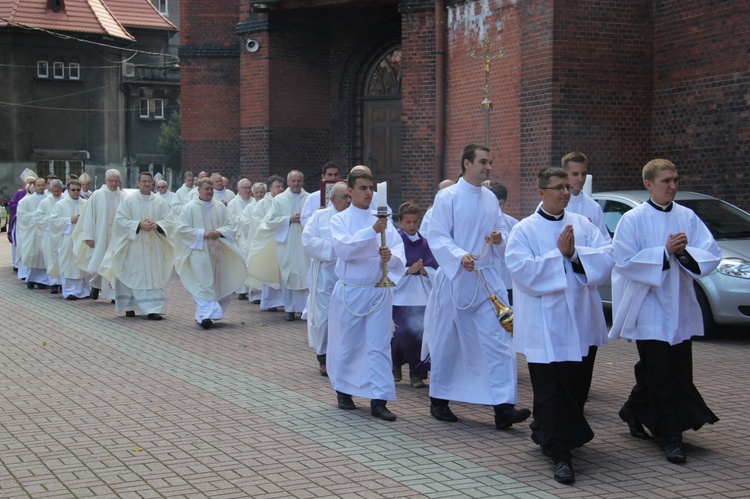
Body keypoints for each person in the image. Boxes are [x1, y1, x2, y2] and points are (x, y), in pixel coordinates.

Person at [505, 167, 614, 484]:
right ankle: (561, 454)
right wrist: (559, 256)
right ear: (541, 192)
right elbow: (522, 272)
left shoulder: (583, 224)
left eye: (568, 186)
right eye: (559, 187)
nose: (566, 192)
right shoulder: (524, 230)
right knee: (551, 390)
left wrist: (577, 256)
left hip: (581, 322)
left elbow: (607, 256)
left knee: (576, 388)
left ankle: (547, 431)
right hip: (545, 327)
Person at [609, 158, 721, 464]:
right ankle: (671, 436)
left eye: (675, 180)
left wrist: (685, 253)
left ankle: (632, 411)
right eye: (665, 181)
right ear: (649, 184)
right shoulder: (633, 219)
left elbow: (710, 253)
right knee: (660, 373)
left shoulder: (687, 216)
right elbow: (623, 260)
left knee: (673, 369)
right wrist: (664, 252)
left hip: (680, 305)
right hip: (648, 307)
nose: (673, 186)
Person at [423, 144, 530, 429]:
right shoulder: (447, 197)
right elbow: (437, 235)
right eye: (483, 162)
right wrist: (459, 256)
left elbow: (501, 231)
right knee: (448, 340)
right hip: (456, 278)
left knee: (499, 340)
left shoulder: (489, 198)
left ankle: (503, 407)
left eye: (491, 162)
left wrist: (498, 237)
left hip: (486, 278)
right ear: (466, 163)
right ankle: (439, 399)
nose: (488, 167)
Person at [327, 169, 406, 421]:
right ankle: (344, 390)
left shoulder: (383, 219)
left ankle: (379, 399)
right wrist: (372, 230)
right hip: (351, 290)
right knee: (349, 343)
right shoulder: (340, 220)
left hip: (378, 290)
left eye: (371, 188)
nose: (369, 193)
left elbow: (397, 249)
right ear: (349, 191)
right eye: (363, 188)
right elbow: (345, 249)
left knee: (379, 345)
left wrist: (390, 257)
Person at [99, 172, 175, 320]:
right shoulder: (129, 201)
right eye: (144, 181)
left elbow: (170, 220)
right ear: (137, 183)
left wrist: (157, 224)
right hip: (133, 245)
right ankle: (130, 306)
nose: (147, 184)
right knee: (131, 274)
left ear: (153, 184)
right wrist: (138, 225)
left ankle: (153, 309)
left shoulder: (159, 201)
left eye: (149, 182)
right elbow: (120, 221)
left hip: (153, 245)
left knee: (153, 276)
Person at [175, 178, 247, 329]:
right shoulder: (190, 208)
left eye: (211, 189)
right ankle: (207, 315)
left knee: (217, 282)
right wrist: (202, 233)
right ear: (199, 190)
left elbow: (232, 225)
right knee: (204, 283)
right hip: (199, 251)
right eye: (206, 189)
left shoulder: (220, 207)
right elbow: (181, 229)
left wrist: (219, 232)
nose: (209, 192)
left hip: (218, 252)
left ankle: (201, 315)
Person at [246, 170, 310, 322]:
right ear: (288, 183)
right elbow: (269, 221)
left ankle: (304, 309)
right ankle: (290, 309)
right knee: (288, 274)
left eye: (299, 181)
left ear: (302, 182)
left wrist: (305, 219)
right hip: (287, 243)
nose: (296, 184)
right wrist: (288, 219)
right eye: (293, 181)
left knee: (305, 274)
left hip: (304, 243)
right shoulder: (280, 200)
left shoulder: (309, 198)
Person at [302, 182, 351, 376]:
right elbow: (307, 241)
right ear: (332, 199)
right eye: (344, 198)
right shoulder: (319, 217)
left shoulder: (354, 217)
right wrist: (336, 248)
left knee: (345, 317)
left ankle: (342, 356)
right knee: (323, 318)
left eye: (349, 196)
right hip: (325, 274)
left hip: (348, 274)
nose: (348, 201)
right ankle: (322, 356)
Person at [391, 202, 438, 388]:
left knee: (419, 333)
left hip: (422, 294)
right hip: (401, 294)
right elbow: (389, 269)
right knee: (401, 332)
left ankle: (416, 373)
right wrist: (407, 271)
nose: (412, 226)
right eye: (408, 222)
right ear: (400, 222)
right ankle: (395, 363)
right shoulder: (396, 242)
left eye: (415, 222)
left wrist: (425, 271)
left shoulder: (425, 243)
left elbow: (435, 268)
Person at [72, 169, 127, 302]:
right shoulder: (97, 195)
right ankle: (96, 285)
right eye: (111, 181)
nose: (114, 184)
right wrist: (88, 236)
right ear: (106, 181)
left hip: (117, 237)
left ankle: (114, 294)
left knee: (115, 264)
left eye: (116, 181)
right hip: (100, 235)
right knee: (99, 261)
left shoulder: (124, 197)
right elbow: (88, 217)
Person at [244, 175, 285, 311]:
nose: (280, 189)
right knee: (270, 272)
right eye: (277, 186)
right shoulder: (262, 203)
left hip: (284, 241)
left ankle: (284, 300)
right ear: (271, 188)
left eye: (281, 186)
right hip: (269, 242)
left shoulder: (285, 201)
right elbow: (257, 222)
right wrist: (274, 227)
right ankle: (271, 302)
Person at [48, 180, 91, 300]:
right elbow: (54, 221)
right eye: (73, 190)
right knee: (69, 264)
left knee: (82, 264)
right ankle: (70, 291)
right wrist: (69, 220)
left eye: (78, 190)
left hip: (82, 239)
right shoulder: (60, 205)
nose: (76, 192)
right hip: (68, 239)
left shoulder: (86, 204)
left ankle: (85, 290)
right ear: (68, 190)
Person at [559, 152, 610, 240]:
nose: (580, 179)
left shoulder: (594, 207)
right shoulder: (550, 204)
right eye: (575, 174)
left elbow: (604, 241)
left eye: (583, 174)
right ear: (564, 174)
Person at [486, 182, 519, 304]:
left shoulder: (514, 224)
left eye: (500, 205)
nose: (497, 210)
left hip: (507, 281)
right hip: (487, 280)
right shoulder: (480, 222)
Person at [16, 177, 50, 288]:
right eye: (38, 185)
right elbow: (22, 216)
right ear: (34, 187)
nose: (40, 187)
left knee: (45, 255)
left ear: (45, 186)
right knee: (33, 255)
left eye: (42, 185)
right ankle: (31, 279)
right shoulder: (25, 201)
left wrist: (44, 219)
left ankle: (43, 280)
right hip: (32, 233)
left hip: (45, 232)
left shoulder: (49, 199)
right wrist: (37, 216)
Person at [227, 179, 256, 300]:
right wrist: (244, 222)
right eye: (245, 188)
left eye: (249, 187)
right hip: (239, 237)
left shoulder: (254, 202)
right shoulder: (233, 204)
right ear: (238, 189)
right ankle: (242, 290)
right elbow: (231, 218)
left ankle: (252, 289)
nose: (247, 190)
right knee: (241, 263)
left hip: (252, 236)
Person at [36, 179, 65, 294]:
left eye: (59, 191)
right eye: (55, 191)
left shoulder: (65, 200)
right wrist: (52, 221)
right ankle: (53, 283)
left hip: (62, 233)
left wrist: (60, 222)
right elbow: (38, 217)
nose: (57, 193)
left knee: (62, 257)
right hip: (49, 234)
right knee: (51, 258)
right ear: (50, 189)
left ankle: (62, 282)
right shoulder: (44, 202)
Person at [300, 161, 341, 227]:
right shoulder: (312, 197)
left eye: (336, 175)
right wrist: (317, 215)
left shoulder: (346, 197)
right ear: (323, 176)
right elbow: (304, 221)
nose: (333, 178)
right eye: (330, 175)